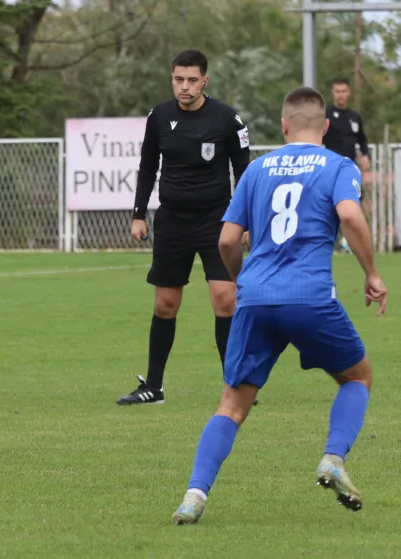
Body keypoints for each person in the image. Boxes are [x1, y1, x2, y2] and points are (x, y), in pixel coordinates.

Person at [171, 86, 387, 525]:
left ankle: (194, 496)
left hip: (256, 297)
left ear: (284, 126)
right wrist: (371, 273)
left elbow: (228, 239)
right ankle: (332, 457)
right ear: (325, 128)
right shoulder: (337, 164)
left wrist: (238, 279)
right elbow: (349, 214)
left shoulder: (256, 169)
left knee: (232, 404)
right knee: (357, 376)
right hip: (309, 296)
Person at [119, 49, 251, 406]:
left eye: (192, 80)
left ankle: (235, 385)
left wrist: (246, 221)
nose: (185, 87)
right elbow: (147, 167)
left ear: (204, 80)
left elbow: (244, 173)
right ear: (172, 79)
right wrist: (138, 214)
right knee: (165, 304)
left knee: (225, 300)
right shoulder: (159, 117)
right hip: (173, 220)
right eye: (179, 79)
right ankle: (154, 387)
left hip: (217, 220)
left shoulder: (227, 119)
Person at [323, 77, 371, 253]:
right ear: (332, 93)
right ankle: (330, 242)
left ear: (348, 93)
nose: (340, 95)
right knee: (330, 207)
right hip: (331, 169)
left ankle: (348, 243)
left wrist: (366, 155)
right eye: (337, 91)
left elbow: (362, 140)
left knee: (354, 205)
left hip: (351, 169)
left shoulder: (354, 117)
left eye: (343, 91)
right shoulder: (326, 115)